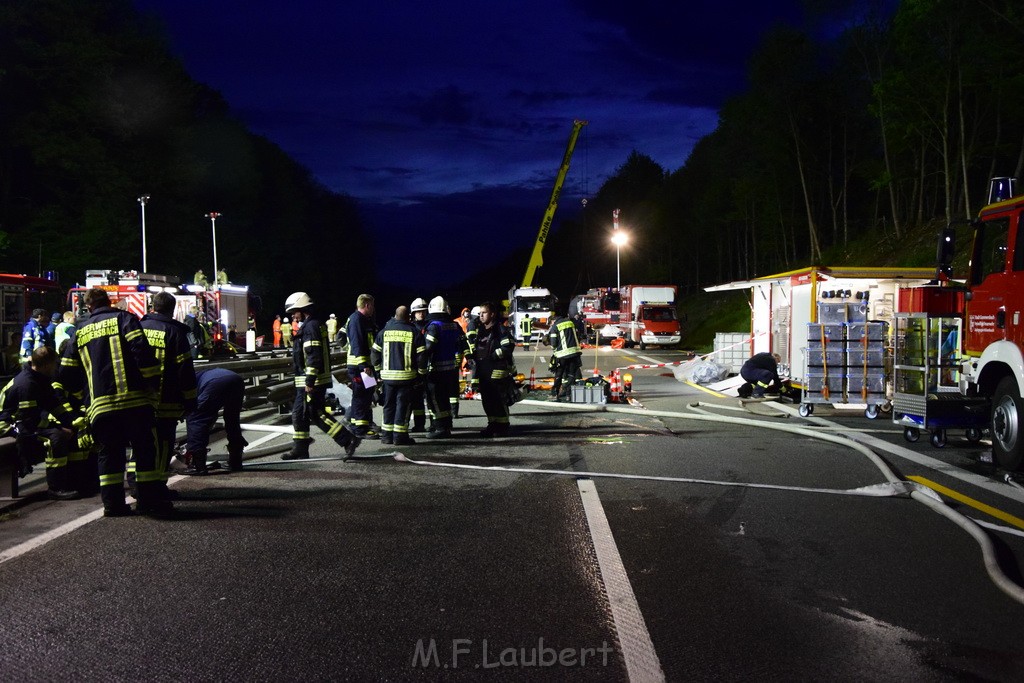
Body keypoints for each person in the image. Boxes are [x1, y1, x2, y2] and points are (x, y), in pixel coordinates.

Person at [57, 288, 168, 517]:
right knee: (144, 452)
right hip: (135, 402)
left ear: (88, 307)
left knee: (109, 455)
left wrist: (84, 398)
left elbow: (67, 373)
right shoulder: (125, 318)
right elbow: (142, 352)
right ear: (109, 302)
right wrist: (151, 381)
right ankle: (148, 502)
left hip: (100, 407)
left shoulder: (79, 330)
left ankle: (113, 505)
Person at [282, 291, 361, 460]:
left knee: (314, 413)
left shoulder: (310, 327)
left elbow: (313, 355)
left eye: (294, 311)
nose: (293, 316)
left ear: (302, 309)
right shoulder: (314, 324)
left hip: (311, 380)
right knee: (301, 413)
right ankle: (301, 448)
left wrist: (310, 380)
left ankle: (348, 440)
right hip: (311, 379)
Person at [0, 347, 84, 499]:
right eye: (54, 364)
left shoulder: (39, 378)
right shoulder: (27, 384)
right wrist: (59, 428)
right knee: (56, 438)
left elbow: (54, 405)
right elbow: (28, 421)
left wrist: (72, 421)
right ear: (46, 365)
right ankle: (56, 488)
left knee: (68, 430)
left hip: (23, 421)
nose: (56, 367)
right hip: (8, 425)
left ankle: (75, 480)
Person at [140, 292, 198, 489]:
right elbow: (184, 369)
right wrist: (190, 400)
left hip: (140, 400)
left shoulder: (138, 327)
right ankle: (158, 488)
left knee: (141, 443)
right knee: (164, 444)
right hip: (167, 400)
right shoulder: (175, 332)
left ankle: (140, 486)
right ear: (173, 309)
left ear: (152, 306)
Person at [371, 305, 426, 445]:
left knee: (388, 405)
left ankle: (386, 436)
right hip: (406, 378)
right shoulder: (414, 332)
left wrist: (378, 371)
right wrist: (421, 374)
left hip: (388, 377)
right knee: (403, 406)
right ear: (408, 317)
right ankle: (400, 437)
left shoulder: (384, 332)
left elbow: (375, 354)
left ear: (395, 316)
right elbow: (421, 357)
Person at [184, 368, 248, 472]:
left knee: (196, 418)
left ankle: (198, 465)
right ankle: (235, 462)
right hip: (236, 380)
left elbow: (198, 410)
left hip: (215, 383)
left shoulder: (187, 381)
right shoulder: (199, 374)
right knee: (232, 419)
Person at [423, 296, 469, 438]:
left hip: (436, 370)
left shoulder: (434, 326)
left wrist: (420, 362)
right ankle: (447, 426)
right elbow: (463, 344)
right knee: (445, 399)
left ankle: (440, 428)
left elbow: (428, 348)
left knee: (436, 400)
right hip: (451, 369)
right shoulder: (454, 325)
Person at [472, 302, 515, 437]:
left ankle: (502, 426)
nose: (481, 316)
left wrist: (494, 355)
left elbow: (508, 348)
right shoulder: (481, 330)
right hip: (484, 371)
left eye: (484, 313)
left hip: (497, 370)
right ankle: (492, 424)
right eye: (480, 313)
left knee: (498, 400)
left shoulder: (500, 329)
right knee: (487, 400)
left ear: (492, 314)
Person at [345, 293, 379, 439]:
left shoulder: (363, 319)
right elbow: (357, 342)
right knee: (361, 395)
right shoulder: (357, 320)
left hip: (365, 366)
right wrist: (363, 364)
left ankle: (362, 423)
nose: (373, 308)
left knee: (368, 393)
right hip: (360, 367)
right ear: (367, 305)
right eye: (372, 305)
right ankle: (360, 429)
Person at [548, 310, 583, 401]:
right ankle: (569, 395)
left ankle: (555, 394)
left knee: (559, 374)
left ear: (552, 321)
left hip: (562, 355)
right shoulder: (570, 322)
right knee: (571, 374)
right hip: (575, 352)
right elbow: (578, 335)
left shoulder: (555, 326)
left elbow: (553, 343)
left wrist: (554, 350)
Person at [409, 298, 430, 433]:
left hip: (431, 366)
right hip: (416, 367)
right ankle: (419, 424)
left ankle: (435, 424)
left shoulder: (431, 325)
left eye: (423, 311)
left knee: (432, 397)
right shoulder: (411, 327)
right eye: (418, 312)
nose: (421, 314)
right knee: (416, 399)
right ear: (413, 313)